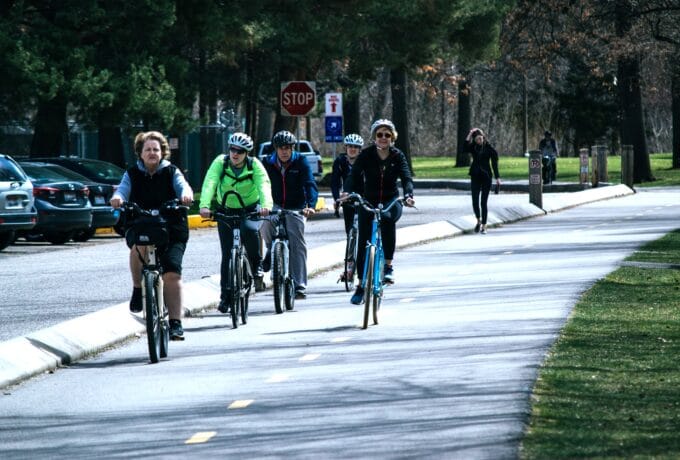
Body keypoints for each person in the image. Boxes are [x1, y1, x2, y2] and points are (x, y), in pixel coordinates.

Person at [110, 131, 194, 341]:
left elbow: (183, 186)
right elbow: (122, 190)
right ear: (140, 152)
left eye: (156, 149)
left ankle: (175, 322)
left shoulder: (171, 171)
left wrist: (186, 195)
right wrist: (118, 198)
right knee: (138, 246)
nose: (152, 153)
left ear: (162, 152)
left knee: (171, 274)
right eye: (147, 149)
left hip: (172, 227)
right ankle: (138, 288)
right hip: (142, 224)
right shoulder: (132, 173)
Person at [198, 132, 272, 313]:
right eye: (232, 149)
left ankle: (257, 266)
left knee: (249, 230)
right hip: (226, 210)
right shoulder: (220, 163)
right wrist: (205, 205)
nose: (235, 154)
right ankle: (225, 297)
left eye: (240, 151)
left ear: (247, 153)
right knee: (227, 254)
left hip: (250, 209)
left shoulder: (254, 165)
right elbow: (210, 182)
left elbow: (264, 184)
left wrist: (266, 205)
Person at [348, 119, 415, 305]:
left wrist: (408, 194)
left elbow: (406, 177)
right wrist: (347, 192)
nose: (383, 138)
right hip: (368, 200)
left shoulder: (397, 156)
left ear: (392, 137)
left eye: (387, 134)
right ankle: (361, 286)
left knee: (386, 219)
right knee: (363, 242)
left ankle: (388, 266)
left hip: (391, 200)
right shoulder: (366, 155)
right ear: (374, 137)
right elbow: (354, 175)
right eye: (380, 134)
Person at [260, 130, 318, 300]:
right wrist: (262, 205)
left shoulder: (301, 161)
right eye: (281, 148)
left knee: (297, 242)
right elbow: (261, 184)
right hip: (274, 203)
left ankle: (299, 285)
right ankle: (271, 248)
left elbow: (309, 184)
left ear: (293, 148)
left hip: (296, 206)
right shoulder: (267, 163)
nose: (284, 151)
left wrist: (311, 206)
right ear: (275, 149)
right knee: (265, 223)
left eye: (288, 147)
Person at [464, 128, 500, 235]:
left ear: (483, 138)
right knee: (475, 200)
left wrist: (497, 177)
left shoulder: (489, 149)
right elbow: (464, 147)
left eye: (480, 138)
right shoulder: (473, 147)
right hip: (475, 175)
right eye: (477, 139)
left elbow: (494, 164)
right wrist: (470, 133)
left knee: (483, 202)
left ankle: (484, 225)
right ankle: (478, 220)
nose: (479, 141)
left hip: (486, 177)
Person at [331, 133, 364, 234]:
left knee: (364, 229)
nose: (352, 149)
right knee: (349, 230)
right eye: (350, 146)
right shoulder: (340, 161)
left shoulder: (365, 161)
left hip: (363, 194)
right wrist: (337, 198)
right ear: (346, 148)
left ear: (360, 149)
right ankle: (350, 245)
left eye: (356, 147)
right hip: (347, 196)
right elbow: (335, 182)